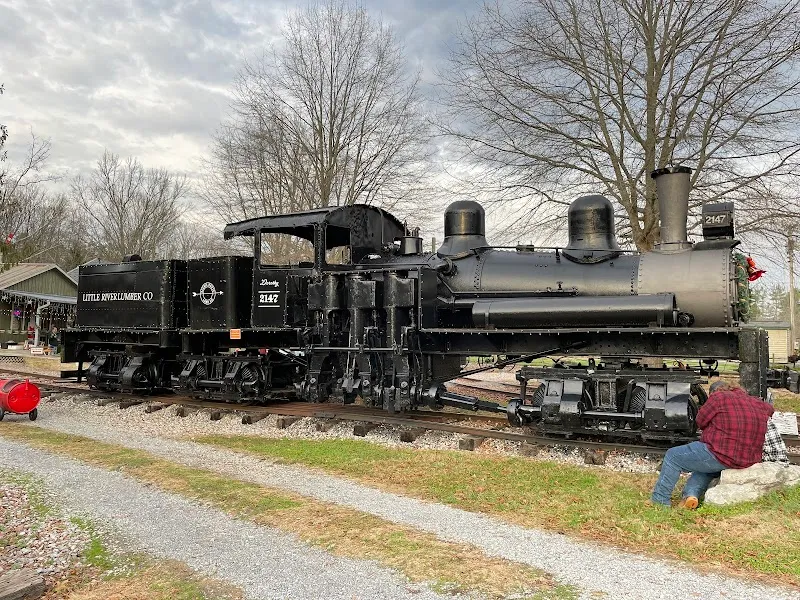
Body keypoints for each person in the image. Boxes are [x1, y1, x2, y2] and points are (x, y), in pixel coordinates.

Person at [650, 380, 774, 509]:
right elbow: (770, 409)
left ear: (716, 391)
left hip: (721, 453)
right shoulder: (757, 403)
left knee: (673, 456)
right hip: (748, 460)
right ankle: (691, 495)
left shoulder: (718, 397)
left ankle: (660, 500)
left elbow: (700, 421)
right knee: (706, 469)